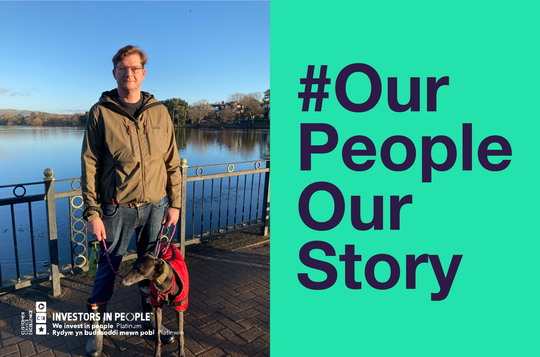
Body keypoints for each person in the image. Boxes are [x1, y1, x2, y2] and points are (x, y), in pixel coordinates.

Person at [81, 45, 182, 357]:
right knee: (106, 273)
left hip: (155, 208)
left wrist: (175, 204)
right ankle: (96, 332)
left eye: (134, 68)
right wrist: (93, 212)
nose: (129, 73)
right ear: (114, 73)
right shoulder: (101, 113)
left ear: (143, 73)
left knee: (150, 270)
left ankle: (148, 323)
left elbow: (172, 161)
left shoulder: (160, 112)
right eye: (123, 68)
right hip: (116, 209)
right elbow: (90, 164)